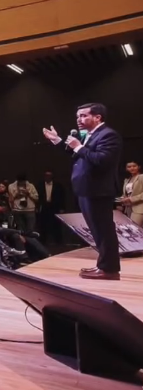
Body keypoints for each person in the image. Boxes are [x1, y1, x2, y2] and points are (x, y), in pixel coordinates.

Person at [42, 103, 124, 279]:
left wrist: (79, 146)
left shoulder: (108, 135)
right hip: (86, 190)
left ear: (97, 117)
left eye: (84, 116)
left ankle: (109, 270)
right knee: (96, 230)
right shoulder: (91, 135)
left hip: (98, 190)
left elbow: (102, 160)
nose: (79, 120)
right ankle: (103, 265)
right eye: (78, 116)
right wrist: (58, 141)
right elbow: (77, 155)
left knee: (104, 230)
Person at [119, 160, 143, 226]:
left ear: (139, 167)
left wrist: (131, 199)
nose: (132, 168)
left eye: (134, 166)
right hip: (129, 208)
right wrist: (121, 200)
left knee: (136, 229)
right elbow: (126, 194)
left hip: (139, 209)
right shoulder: (127, 179)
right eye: (129, 167)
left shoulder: (141, 177)